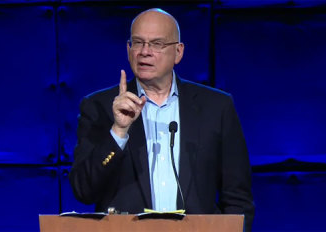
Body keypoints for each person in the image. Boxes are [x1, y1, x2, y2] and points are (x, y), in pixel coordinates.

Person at [70, 8, 255, 231]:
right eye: (138, 43)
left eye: (157, 44)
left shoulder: (216, 107)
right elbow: (83, 190)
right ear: (129, 50)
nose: (144, 52)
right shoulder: (100, 106)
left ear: (178, 52)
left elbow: (237, 197)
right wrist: (118, 131)